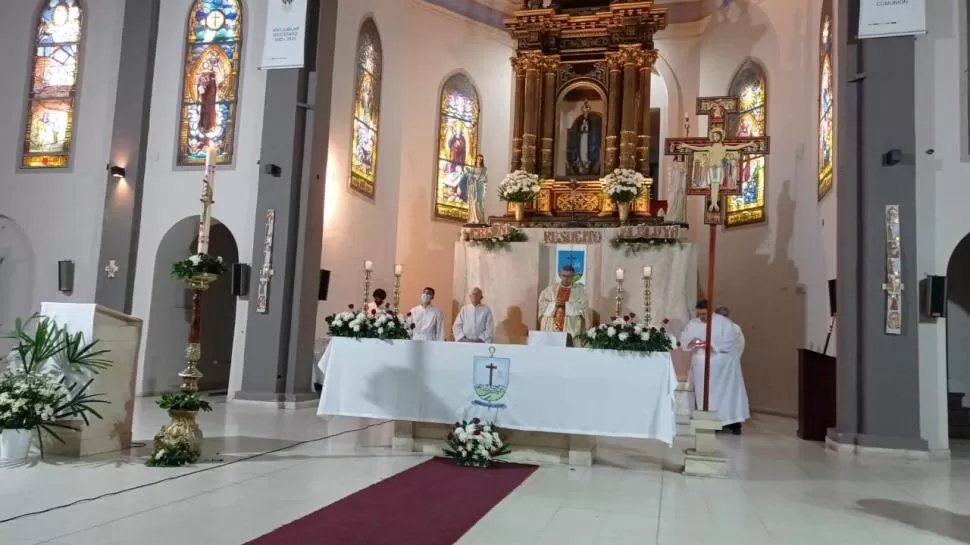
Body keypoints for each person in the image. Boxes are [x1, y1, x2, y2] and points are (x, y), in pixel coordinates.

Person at [681, 300, 749, 434]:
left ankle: (732, 423)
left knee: (727, 395)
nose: (701, 317)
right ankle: (710, 421)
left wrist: (711, 344)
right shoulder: (693, 323)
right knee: (707, 396)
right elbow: (684, 339)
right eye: (699, 314)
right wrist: (692, 342)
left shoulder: (724, 323)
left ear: (710, 311)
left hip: (724, 369)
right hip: (702, 365)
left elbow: (729, 341)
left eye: (704, 314)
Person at [538, 264, 589, 339]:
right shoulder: (550, 289)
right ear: (559, 275)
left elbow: (583, 306)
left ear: (573, 276)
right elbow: (542, 303)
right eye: (564, 276)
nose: (566, 278)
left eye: (569, 276)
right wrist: (554, 305)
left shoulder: (580, 291)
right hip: (551, 325)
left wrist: (567, 305)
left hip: (570, 326)